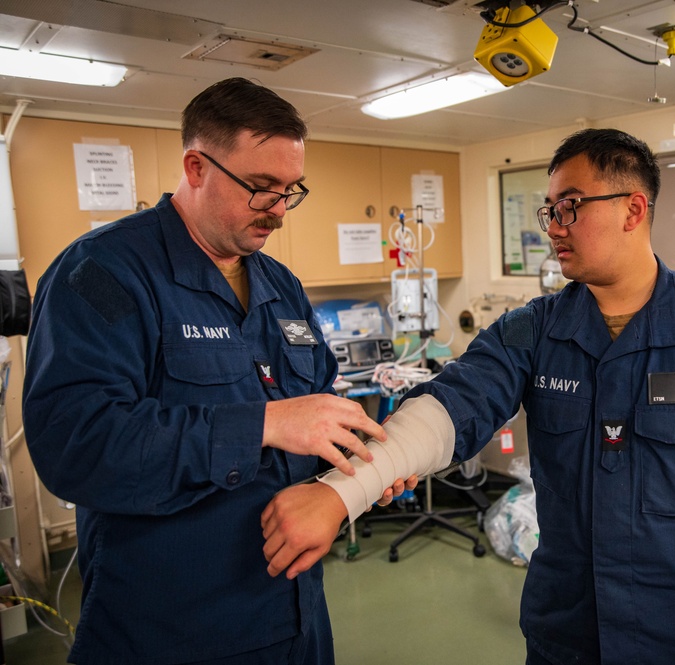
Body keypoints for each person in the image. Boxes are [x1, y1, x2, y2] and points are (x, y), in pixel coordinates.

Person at [262, 128, 675, 665]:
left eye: (571, 206)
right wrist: (344, 491)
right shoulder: (532, 331)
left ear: (633, 209)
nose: (554, 226)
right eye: (549, 209)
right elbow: (452, 407)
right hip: (567, 632)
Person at [23, 77, 413, 665]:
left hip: (295, 617)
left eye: (290, 190)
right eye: (260, 188)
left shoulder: (280, 285)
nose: (279, 211)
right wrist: (262, 424)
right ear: (197, 167)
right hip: (170, 628)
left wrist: (360, 466)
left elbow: (315, 412)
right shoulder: (102, 274)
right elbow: (74, 444)